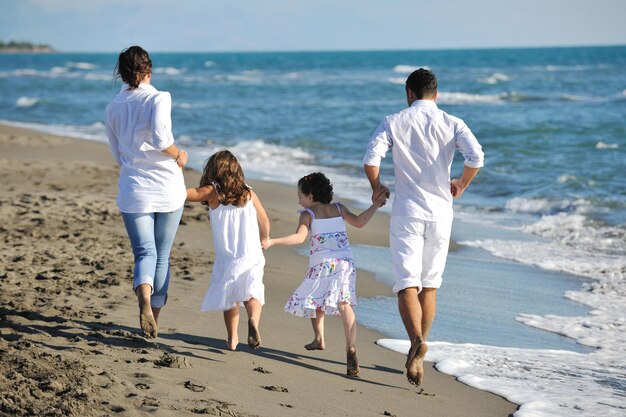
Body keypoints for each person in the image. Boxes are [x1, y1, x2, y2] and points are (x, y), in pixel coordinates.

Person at [363, 68, 484, 386]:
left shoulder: (394, 121)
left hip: (407, 213)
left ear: (409, 93)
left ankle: (416, 341)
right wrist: (461, 184)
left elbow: (370, 159)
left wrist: (377, 186)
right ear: (436, 94)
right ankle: (418, 347)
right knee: (429, 286)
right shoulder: (453, 122)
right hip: (441, 213)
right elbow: (476, 156)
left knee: (406, 285)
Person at [262, 172, 387, 376]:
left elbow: (298, 238)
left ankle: (319, 338)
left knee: (313, 299)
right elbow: (360, 222)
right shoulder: (338, 208)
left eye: (300, 195)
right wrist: (376, 205)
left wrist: (273, 241)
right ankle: (351, 347)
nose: (299, 199)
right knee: (344, 304)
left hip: (321, 264)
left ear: (311, 196)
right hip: (345, 263)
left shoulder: (308, 214)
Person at [105, 46, 188, 339]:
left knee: (144, 253)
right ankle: (154, 314)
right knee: (162, 255)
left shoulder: (113, 107)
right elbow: (161, 138)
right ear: (149, 71)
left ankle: (143, 301)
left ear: (124, 74)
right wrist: (179, 155)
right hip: (166, 187)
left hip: (133, 190)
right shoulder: (159, 97)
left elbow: (118, 157)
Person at [187, 150, 270, 351]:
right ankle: (253, 323)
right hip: (252, 253)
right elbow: (264, 220)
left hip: (228, 256)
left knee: (230, 297)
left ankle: (232, 339)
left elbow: (188, 195)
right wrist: (264, 238)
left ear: (213, 170)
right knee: (252, 292)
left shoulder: (213, 191)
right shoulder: (249, 192)